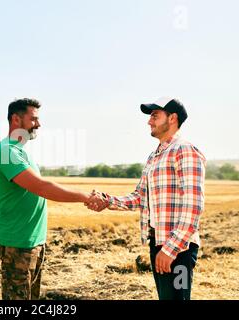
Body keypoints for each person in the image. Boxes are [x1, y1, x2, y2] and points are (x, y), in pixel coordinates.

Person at [87, 97, 206, 300]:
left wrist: (171, 249)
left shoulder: (185, 150)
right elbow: (140, 197)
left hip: (180, 249)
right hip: (158, 243)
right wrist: (108, 200)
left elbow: (193, 205)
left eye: (154, 116)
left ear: (172, 118)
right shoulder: (154, 156)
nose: (149, 121)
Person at [0, 98, 103, 300]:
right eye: (33, 119)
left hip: (33, 241)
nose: (38, 124)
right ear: (16, 119)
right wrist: (84, 197)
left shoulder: (21, 153)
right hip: (18, 243)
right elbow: (42, 187)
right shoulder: (7, 152)